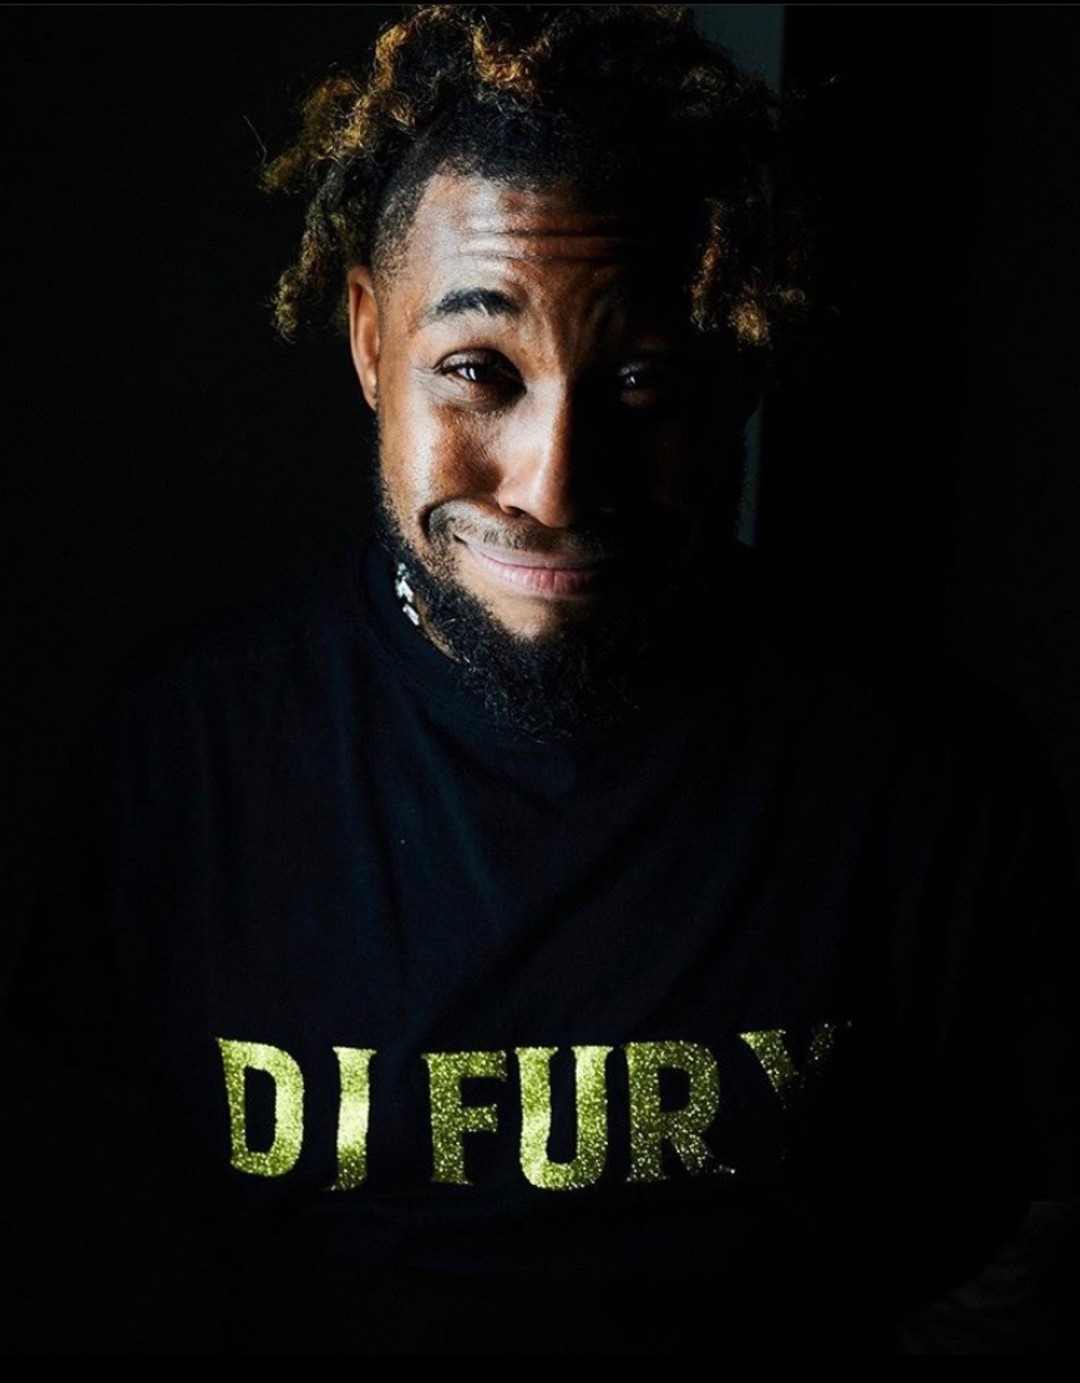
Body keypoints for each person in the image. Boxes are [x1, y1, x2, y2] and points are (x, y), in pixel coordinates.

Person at [10, 4, 1078, 1354]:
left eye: (642, 377)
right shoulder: (181, 753)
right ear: (369, 342)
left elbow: (1021, 1221)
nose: (555, 485)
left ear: (736, 376)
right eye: (478, 372)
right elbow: (85, 1216)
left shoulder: (932, 774)